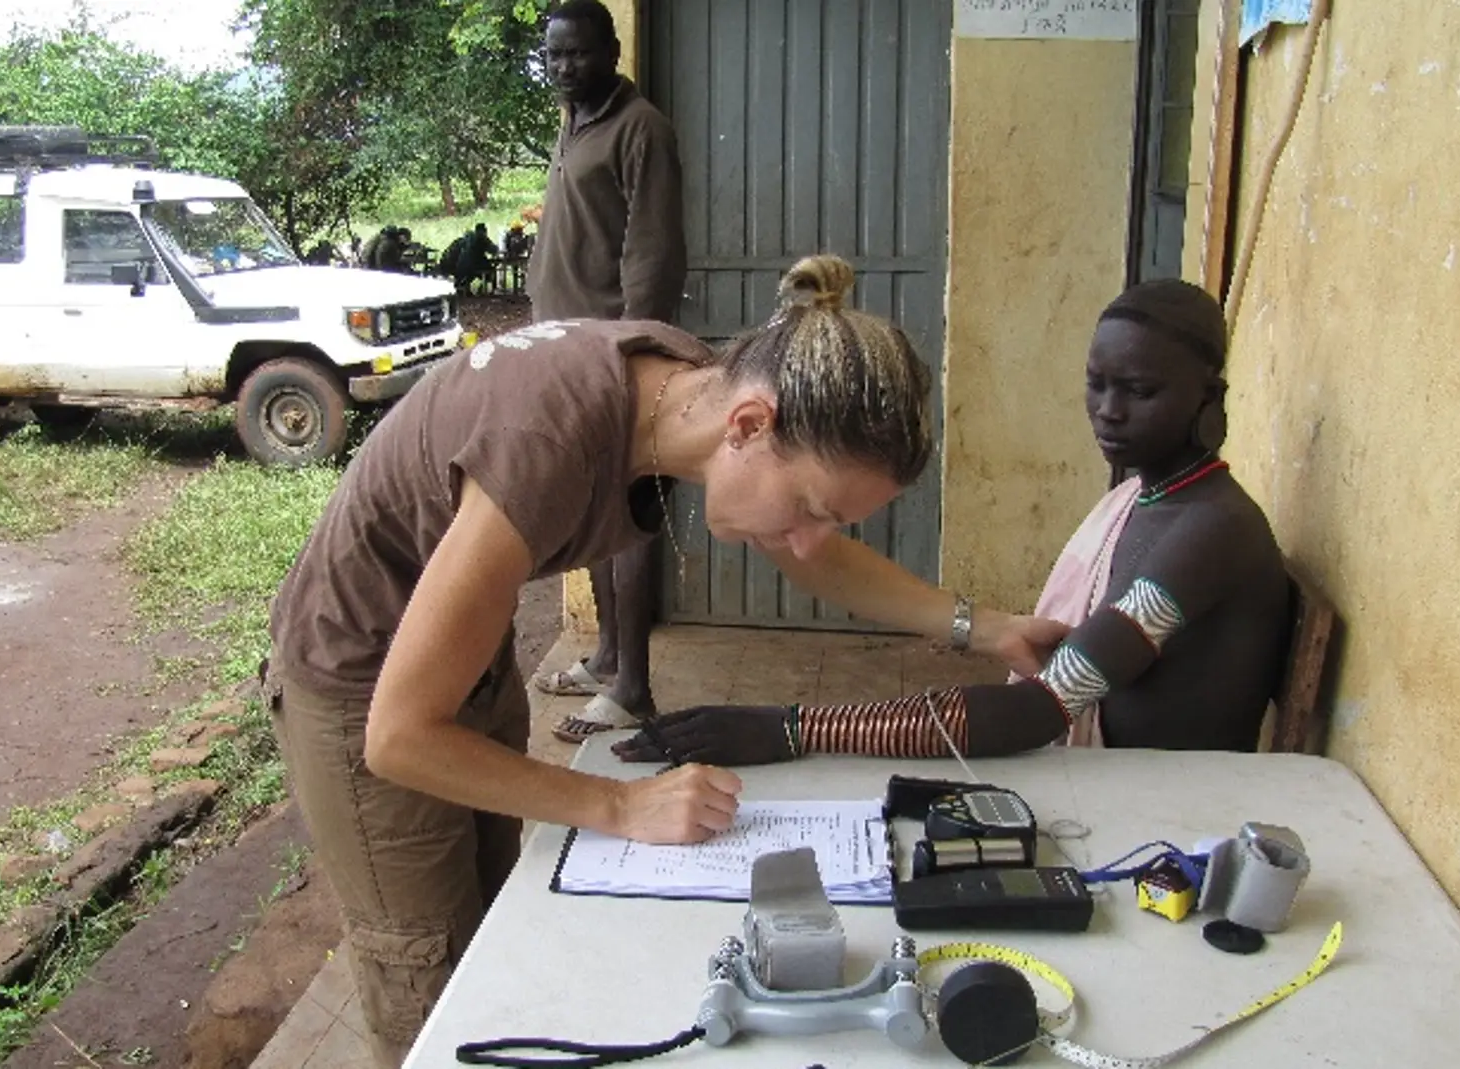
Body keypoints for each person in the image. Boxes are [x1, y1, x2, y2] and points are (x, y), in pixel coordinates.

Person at [261, 255, 1066, 1068]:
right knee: (428, 977)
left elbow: (813, 558)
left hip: (463, 660)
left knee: (488, 924)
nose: (803, 538)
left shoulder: (689, 388)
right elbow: (400, 736)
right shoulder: (548, 441)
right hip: (360, 678)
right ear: (750, 425)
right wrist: (620, 807)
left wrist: (986, 628)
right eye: (810, 509)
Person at [614, 278, 1291, 768]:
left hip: (1177, 815)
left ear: (1210, 399)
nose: (1108, 410)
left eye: (1140, 391)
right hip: (1113, 788)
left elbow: (1039, 711)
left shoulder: (1211, 533)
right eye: (1097, 383)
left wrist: (791, 727)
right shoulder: (1145, 501)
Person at [525, 0, 690, 744]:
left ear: (614, 50)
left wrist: (631, 354)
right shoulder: (574, 120)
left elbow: (651, 255)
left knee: (627, 516)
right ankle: (606, 657)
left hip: (610, 356)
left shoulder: (640, 127)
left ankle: (634, 689)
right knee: (591, 511)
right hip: (561, 352)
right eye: (554, 57)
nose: (565, 69)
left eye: (580, 54)